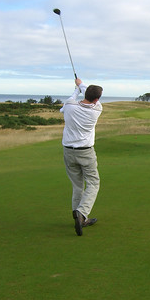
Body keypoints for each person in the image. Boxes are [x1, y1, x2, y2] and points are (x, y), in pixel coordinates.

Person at [60, 77, 103, 236]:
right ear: (97, 98)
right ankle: (82, 213)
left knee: (77, 185)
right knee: (93, 183)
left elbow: (70, 101)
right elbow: (89, 94)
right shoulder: (97, 109)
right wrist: (81, 85)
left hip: (68, 151)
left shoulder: (70, 105)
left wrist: (77, 88)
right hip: (86, 151)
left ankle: (77, 216)